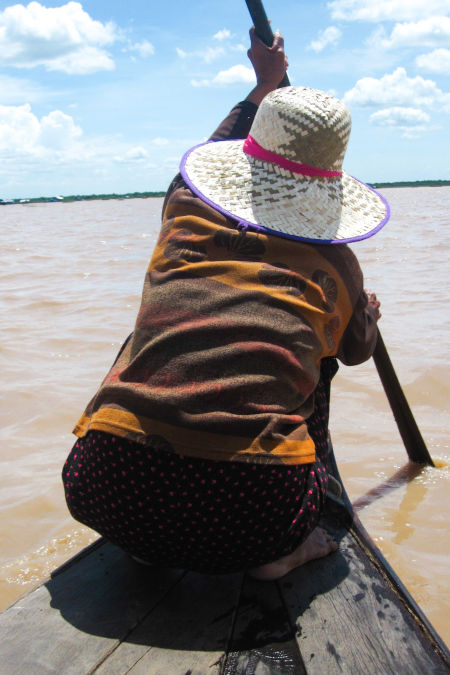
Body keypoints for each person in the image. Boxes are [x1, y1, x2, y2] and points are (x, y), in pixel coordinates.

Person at [63, 28, 387, 581]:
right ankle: (293, 546)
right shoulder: (339, 269)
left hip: (102, 486)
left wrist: (261, 87)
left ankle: (148, 539)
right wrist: (366, 318)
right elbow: (356, 353)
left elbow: (198, 160)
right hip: (256, 517)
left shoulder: (183, 215)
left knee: (167, 318)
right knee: (319, 362)